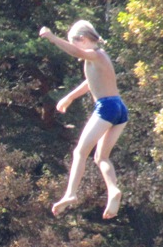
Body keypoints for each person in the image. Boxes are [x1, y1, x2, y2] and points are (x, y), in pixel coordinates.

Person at [39, 20, 128, 219]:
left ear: (84, 39)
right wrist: (70, 97)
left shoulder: (95, 54)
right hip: (119, 108)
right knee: (101, 157)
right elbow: (90, 82)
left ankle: (70, 194)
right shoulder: (99, 58)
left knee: (80, 151)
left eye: (75, 42)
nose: (76, 49)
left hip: (107, 107)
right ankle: (113, 190)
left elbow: (75, 52)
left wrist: (52, 38)